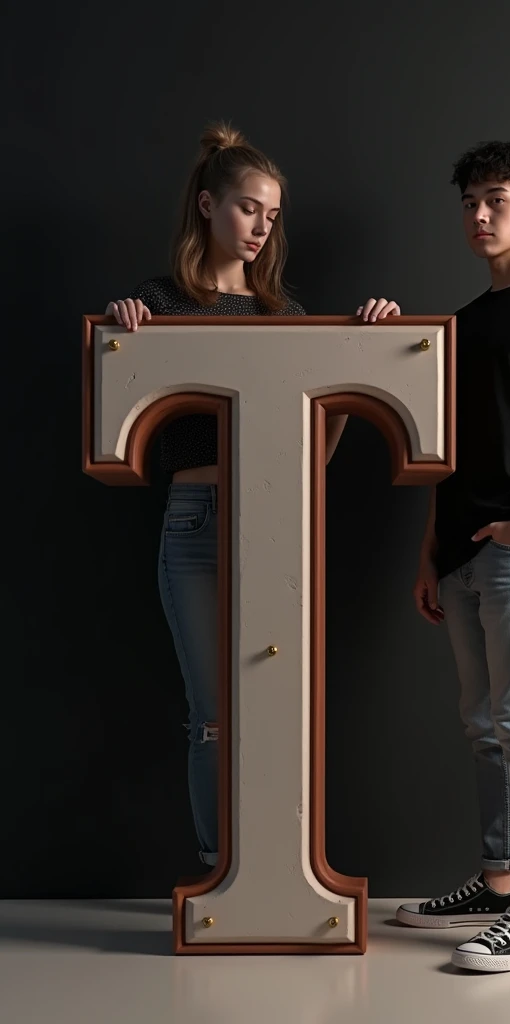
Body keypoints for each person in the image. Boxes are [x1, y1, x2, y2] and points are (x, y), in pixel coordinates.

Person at [106, 121, 400, 870]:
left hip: (275, 524)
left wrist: (359, 354)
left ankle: (276, 878)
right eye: (248, 210)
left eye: (272, 216)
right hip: (197, 521)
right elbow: (118, 383)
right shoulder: (160, 300)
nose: (262, 230)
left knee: (280, 714)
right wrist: (125, 328)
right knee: (214, 717)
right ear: (207, 205)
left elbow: (314, 453)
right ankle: (221, 875)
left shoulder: (284, 317)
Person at [366, 140, 510, 973]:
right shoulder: (461, 323)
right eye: (468, 202)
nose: (478, 215)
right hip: (461, 553)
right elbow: (439, 448)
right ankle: (499, 883)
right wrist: (431, 555)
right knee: (485, 728)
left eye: (495, 200)